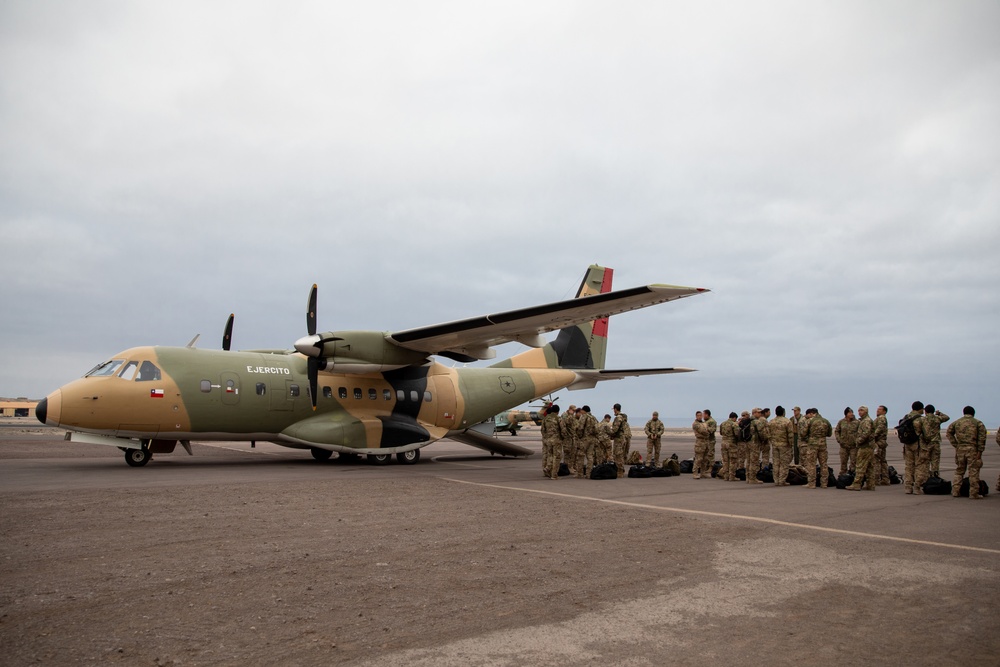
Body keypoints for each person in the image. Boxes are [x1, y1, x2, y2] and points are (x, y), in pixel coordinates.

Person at [946, 406, 987, 499]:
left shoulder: (957, 422)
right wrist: (980, 451)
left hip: (960, 449)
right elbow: (982, 438)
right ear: (973, 413)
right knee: (973, 472)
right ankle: (973, 493)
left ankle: (955, 491)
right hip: (972, 449)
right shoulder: (978, 423)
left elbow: (949, 433)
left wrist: (956, 444)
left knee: (959, 470)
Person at [800, 408, 832, 488]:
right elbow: (829, 433)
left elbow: (803, 433)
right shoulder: (826, 421)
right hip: (822, 444)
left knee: (811, 464)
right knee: (824, 464)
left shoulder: (810, 421)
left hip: (812, 445)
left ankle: (812, 483)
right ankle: (824, 483)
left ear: (811, 413)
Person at [846, 406, 875, 490]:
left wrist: (858, 441)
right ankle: (870, 484)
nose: (859, 412)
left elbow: (866, 433)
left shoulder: (866, 421)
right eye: (859, 410)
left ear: (866, 411)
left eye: (861, 410)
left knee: (860, 466)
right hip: (869, 446)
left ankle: (857, 484)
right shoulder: (864, 420)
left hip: (865, 447)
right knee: (869, 467)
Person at [900, 401, 926, 495]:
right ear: (920, 409)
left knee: (908, 466)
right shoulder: (921, 419)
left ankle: (908, 487)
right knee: (919, 466)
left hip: (907, 444)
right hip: (918, 445)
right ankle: (917, 487)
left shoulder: (906, 417)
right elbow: (927, 434)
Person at [768, 405, 794, 486]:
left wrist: (772, 441)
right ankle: (782, 480)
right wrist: (791, 444)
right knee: (784, 463)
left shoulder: (771, 422)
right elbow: (790, 435)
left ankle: (776, 480)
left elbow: (768, 434)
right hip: (785, 445)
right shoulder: (787, 422)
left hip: (775, 445)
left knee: (776, 463)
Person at [920, 404, 950, 477]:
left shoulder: (922, 419)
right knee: (935, 461)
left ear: (925, 411)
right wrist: (939, 413)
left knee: (925, 461)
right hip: (935, 442)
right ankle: (935, 477)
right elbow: (947, 417)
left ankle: (925, 477)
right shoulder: (937, 419)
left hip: (926, 443)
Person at [575, 406, 600, 478]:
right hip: (592, 439)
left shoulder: (584, 417)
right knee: (590, 456)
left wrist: (579, 436)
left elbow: (580, 427)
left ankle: (580, 473)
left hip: (585, 438)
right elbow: (597, 429)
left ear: (584, 411)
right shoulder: (593, 418)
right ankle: (589, 473)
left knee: (580, 455)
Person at [540, 405, 564, 480]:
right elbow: (563, 430)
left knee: (550, 455)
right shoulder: (559, 418)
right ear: (558, 411)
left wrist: (546, 437)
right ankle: (554, 475)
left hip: (548, 440)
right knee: (556, 457)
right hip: (556, 440)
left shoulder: (546, 418)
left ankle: (547, 468)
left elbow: (542, 430)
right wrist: (563, 437)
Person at [747, 407, 769, 483]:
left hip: (748, 442)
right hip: (755, 443)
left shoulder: (747, 420)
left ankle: (748, 477)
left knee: (749, 460)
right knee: (754, 461)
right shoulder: (757, 421)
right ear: (754, 413)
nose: (760, 414)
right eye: (758, 412)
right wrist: (765, 439)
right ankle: (752, 478)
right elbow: (762, 433)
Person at [835, 407, 859, 475]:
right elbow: (837, 431)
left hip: (853, 446)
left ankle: (852, 475)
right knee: (843, 462)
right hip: (843, 446)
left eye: (852, 412)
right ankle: (843, 475)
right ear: (846, 414)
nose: (851, 414)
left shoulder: (857, 422)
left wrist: (857, 441)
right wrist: (839, 440)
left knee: (853, 462)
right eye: (849, 412)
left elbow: (860, 432)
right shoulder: (841, 422)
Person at [719, 412, 740, 481]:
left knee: (725, 460)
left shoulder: (723, 423)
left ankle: (726, 476)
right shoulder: (734, 424)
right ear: (734, 418)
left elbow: (721, 433)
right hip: (731, 443)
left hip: (724, 443)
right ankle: (732, 476)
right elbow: (737, 434)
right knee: (733, 460)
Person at [610, 404, 630, 478]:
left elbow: (615, 429)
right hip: (621, 438)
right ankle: (620, 469)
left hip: (619, 438)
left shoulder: (618, 418)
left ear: (615, 409)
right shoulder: (623, 417)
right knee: (619, 454)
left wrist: (610, 433)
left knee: (618, 454)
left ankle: (620, 471)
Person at [873, 405, 890, 485]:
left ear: (884, 411)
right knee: (883, 461)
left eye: (880, 409)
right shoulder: (881, 418)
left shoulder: (881, 418)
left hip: (879, 442)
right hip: (882, 442)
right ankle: (885, 479)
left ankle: (876, 479)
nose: (877, 411)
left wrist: (872, 436)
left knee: (876, 461)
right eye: (877, 409)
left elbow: (879, 429)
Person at [561, 405, 579, 476]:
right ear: (569, 409)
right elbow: (564, 425)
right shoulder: (565, 415)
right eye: (573, 410)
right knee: (567, 453)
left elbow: (574, 425)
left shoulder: (572, 416)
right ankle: (566, 467)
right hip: (567, 438)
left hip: (572, 437)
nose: (574, 412)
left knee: (572, 452)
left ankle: (570, 467)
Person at [691, 411, 710, 478]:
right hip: (700, 443)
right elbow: (703, 431)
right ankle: (695, 472)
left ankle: (703, 472)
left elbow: (709, 430)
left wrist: (707, 430)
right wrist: (707, 431)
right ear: (696, 416)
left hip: (705, 442)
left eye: (700, 415)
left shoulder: (703, 423)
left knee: (705, 459)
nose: (699, 416)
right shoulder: (695, 424)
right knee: (698, 459)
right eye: (698, 415)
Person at [703, 409, 718, 476]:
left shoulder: (712, 421)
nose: (703, 416)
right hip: (705, 440)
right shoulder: (706, 421)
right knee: (705, 454)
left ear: (707, 414)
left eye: (704, 414)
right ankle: (706, 467)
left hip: (710, 441)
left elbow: (712, 430)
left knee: (710, 454)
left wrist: (705, 428)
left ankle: (711, 467)